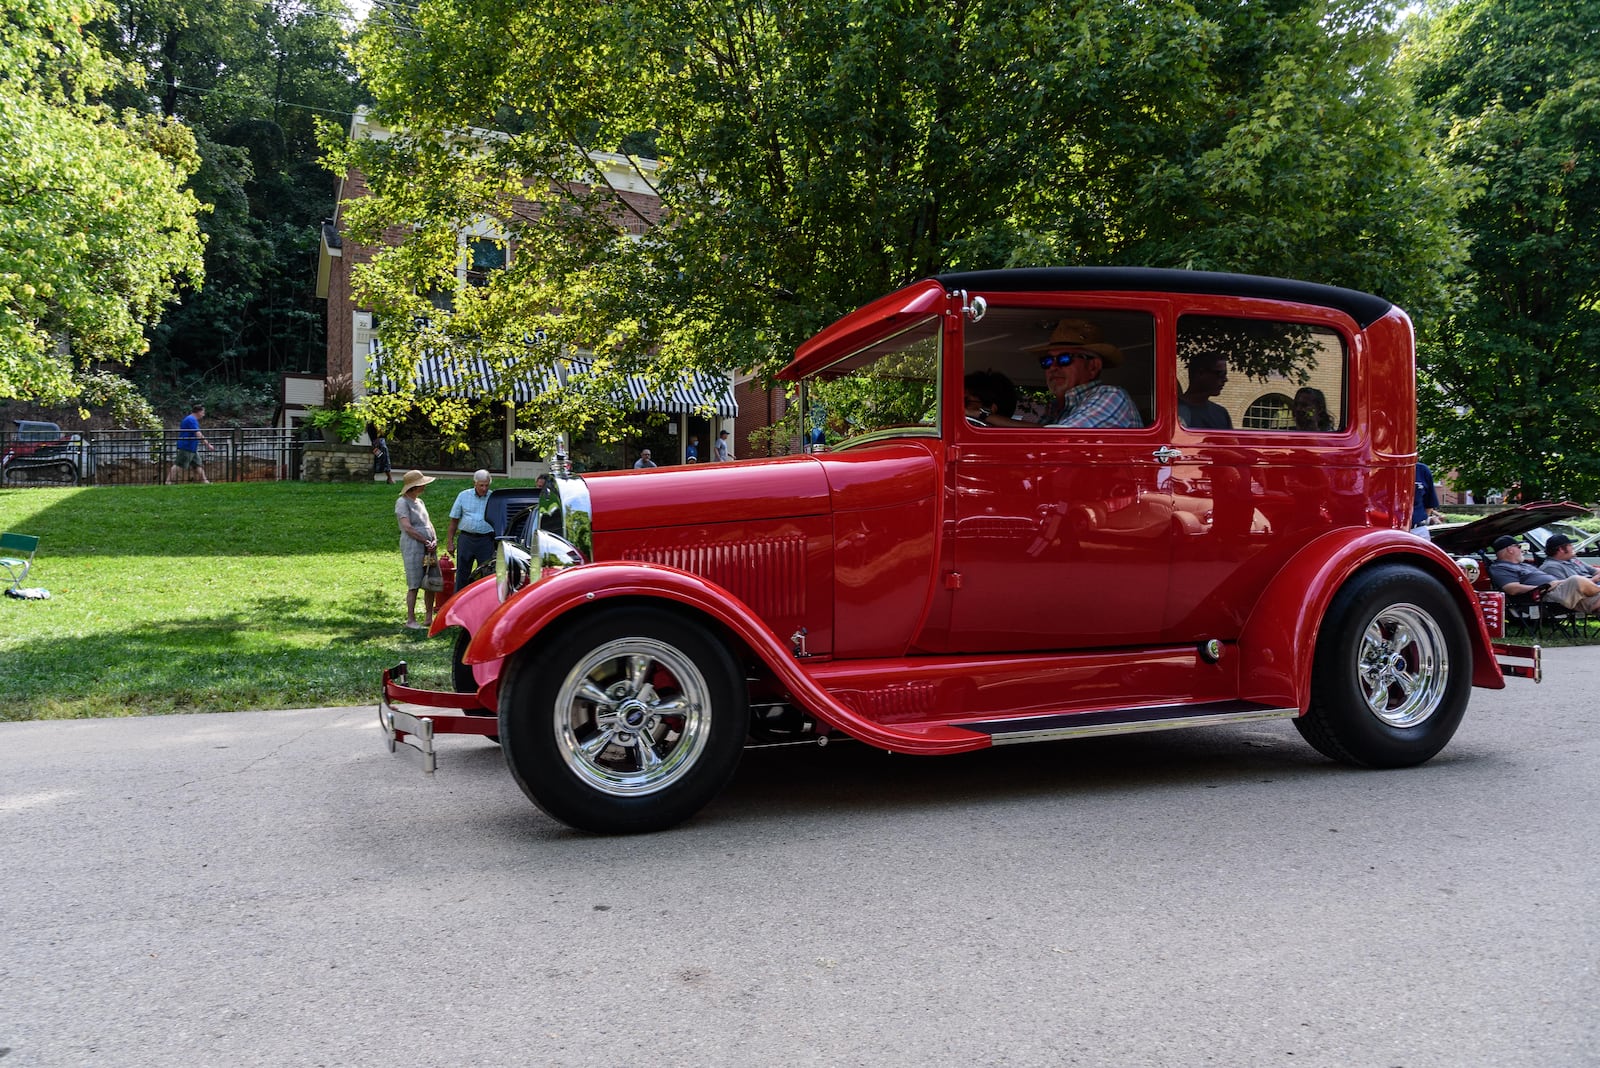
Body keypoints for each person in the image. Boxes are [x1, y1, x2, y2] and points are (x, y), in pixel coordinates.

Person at [973, 319, 1141, 429]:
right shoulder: (1056, 408)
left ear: (1093, 366)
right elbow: (1035, 441)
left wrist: (982, 415)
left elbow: (1056, 438)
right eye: (1047, 361)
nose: (1052, 367)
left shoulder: (1111, 396)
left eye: (1064, 359)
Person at [1487, 535, 1600, 612]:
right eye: (1519, 547)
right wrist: (1541, 587)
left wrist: (1556, 583)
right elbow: (1512, 588)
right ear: (1510, 550)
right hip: (1546, 593)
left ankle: (1595, 605)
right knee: (1576, 579)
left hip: (1559, 589)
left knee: (1592, 598)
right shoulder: (1500, 568)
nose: (1522, 550)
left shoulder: (1523, 565)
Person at [395, 469, 439, 629]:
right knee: (414, 582)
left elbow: (428, 523)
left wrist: (434, 539)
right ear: (413, 487)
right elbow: (407, 527)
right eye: (421, 484)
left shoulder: (420, 502)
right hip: (413, 546)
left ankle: (429, 617)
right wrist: (425, 540)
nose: (424, 486)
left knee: (431, 580)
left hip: (429, 547)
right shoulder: (402, 502)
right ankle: (411, 620)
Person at [447, 469, 496, 586]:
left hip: (486, 540)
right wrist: (450, 542)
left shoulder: (493, 497)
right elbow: (454, 520)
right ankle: (459, 600)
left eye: (486, 485)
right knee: (462, 573)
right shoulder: (463, 496)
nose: (484, 488)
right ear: (475, 483)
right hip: (466, 539)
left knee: (486, 573)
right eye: (481, 485)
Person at [1177, 352, 1232, 429]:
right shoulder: (1172, 412)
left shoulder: (1221, 413)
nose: (1225, 379)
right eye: (1221, 374)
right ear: (1200, 373)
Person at [168, 403, 215, 483]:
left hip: (192, 447)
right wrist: (208, 444)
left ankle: (205, 481)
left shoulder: (191, 419)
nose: (203, 414)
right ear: (198, 412)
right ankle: (168, 481)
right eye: (203, 412)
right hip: (187, 447)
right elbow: (198, 433)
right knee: (178, 465)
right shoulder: (191, 420)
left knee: (197, 465)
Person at [1412, 462, 1443, 539]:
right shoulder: (1380, 469)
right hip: (1386, 532)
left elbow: (1429, 505)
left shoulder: (1422, 470)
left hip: (1418, 531)